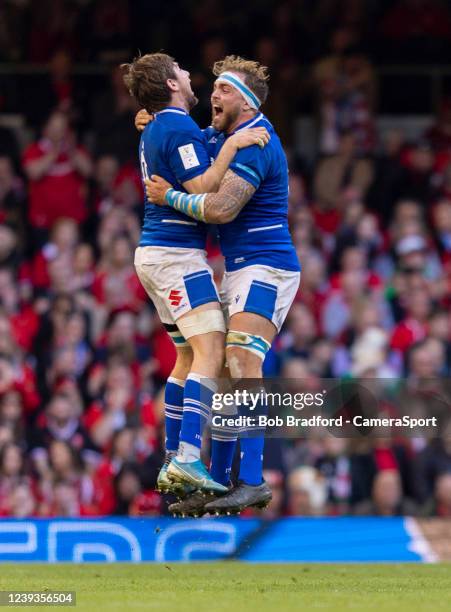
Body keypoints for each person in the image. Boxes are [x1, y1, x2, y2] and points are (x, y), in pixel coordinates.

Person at [146, 55, 301, 515]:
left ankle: (251, 479)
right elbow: (185, 142)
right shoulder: (224, 137)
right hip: (239, 268)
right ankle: (217, 480)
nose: (213, 94)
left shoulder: (255, 142)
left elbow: (220, 210)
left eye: (225, 90)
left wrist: (168, 196)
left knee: (239, 358)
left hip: (267, 265)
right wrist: (151, 119)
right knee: (229, 373)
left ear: (248, 102)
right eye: (212, 86)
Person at [122, 53, 270, 497]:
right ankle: (188, 457)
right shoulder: (175, 126)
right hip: (177, 257)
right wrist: (231, 147)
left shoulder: (164, 126)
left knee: (187, 358)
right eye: (183, 71)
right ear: (171, 83)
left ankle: (173, 459)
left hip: (158, 255)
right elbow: (203, 188)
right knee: (212, 353)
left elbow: (190, 155)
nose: (191, 76)